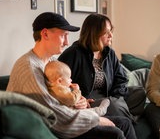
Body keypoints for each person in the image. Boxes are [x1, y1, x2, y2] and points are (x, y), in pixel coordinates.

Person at [7, 12, 136, 139]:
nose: (67, 42)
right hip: (54, 126)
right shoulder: (29, 67)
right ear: (45, 34)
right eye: (63, 36)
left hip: (67, 117)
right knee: (116, 132)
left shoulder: (51, 63)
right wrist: (97, 119)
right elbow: (54, 114)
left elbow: (59, 96)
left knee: (125, 123)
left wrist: (77, 101)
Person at [58, 13, 139, 123]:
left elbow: (121, 78)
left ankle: (118, 109)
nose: (111, 35)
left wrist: (115, 97)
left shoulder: (109, 53)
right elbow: (60, 85)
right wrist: (79, 98)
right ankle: (128, 118)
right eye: (106, 32)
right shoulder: (73, 53)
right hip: (89, 101)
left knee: (139, 93)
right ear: (94, 34)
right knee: (115, 105)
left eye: (111, 31)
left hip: (109, 96)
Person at [44, 60, 110, 116]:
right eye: (69, 78)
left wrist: (82, 98)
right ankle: (101, 110)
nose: (71, 80)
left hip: (74, 110)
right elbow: (72, 99)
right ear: (59, 81)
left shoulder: (55, 87)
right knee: (92, 112)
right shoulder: (58, 89)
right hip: (74, 113)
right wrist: (77, 90)